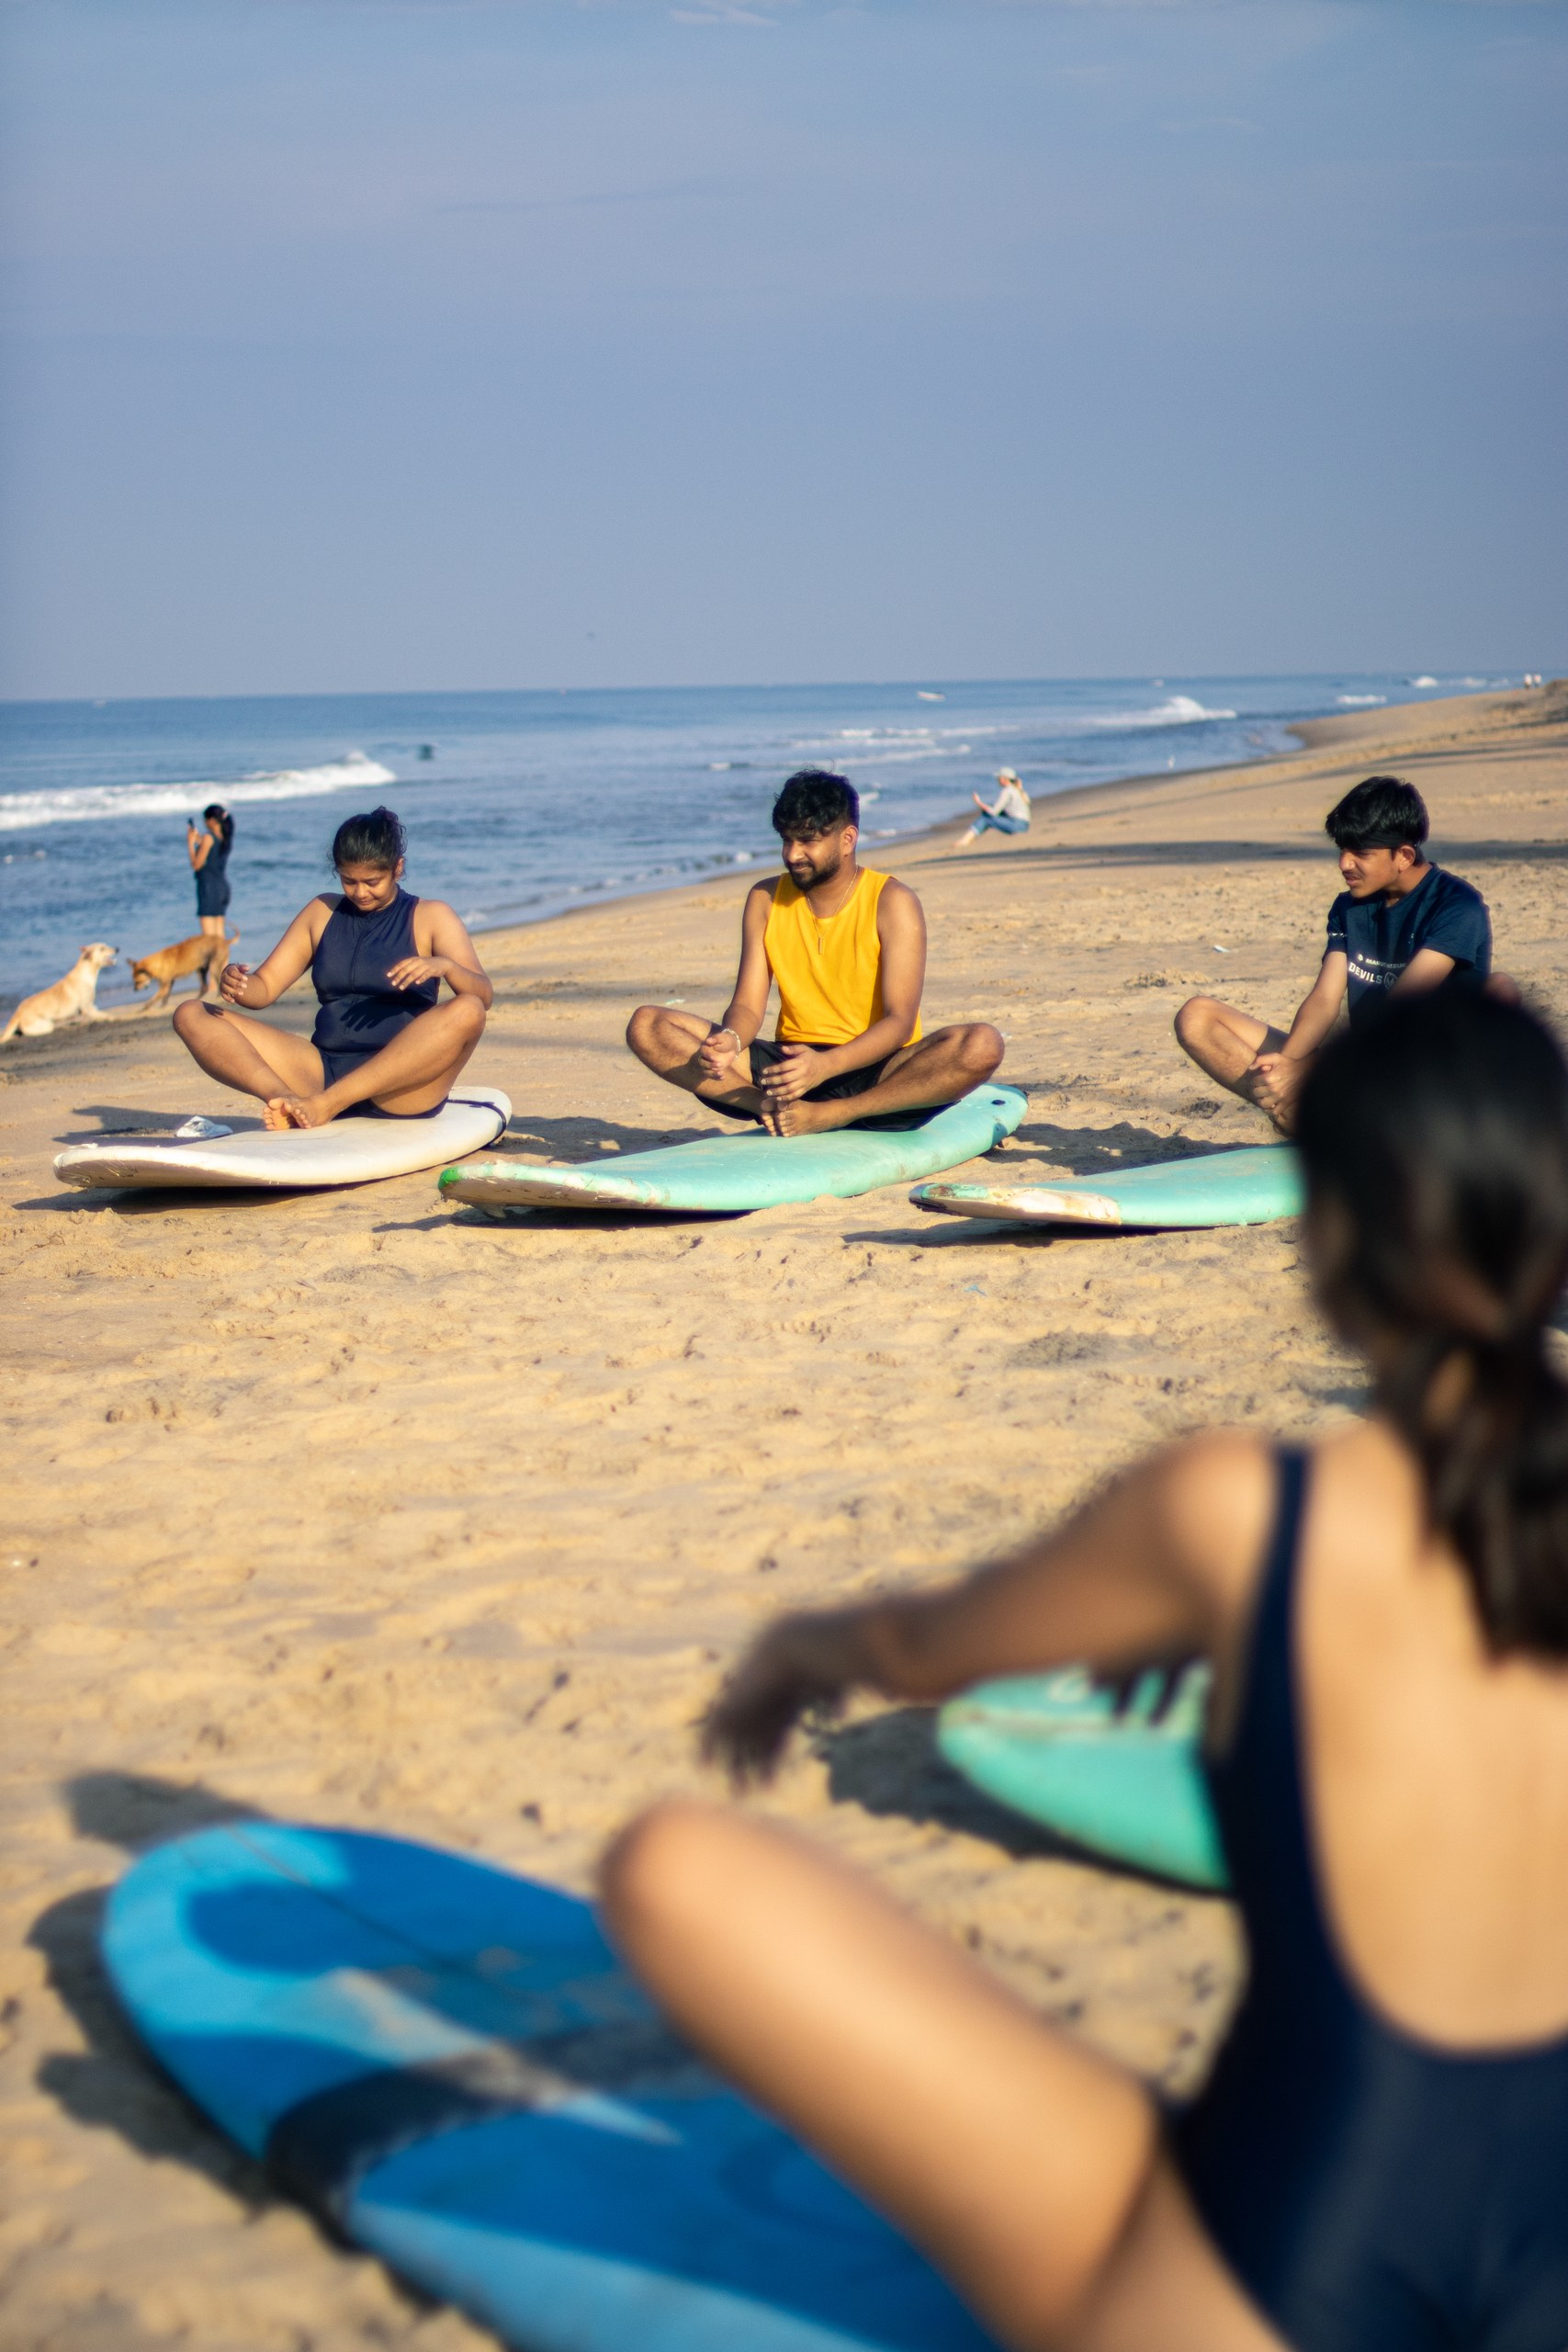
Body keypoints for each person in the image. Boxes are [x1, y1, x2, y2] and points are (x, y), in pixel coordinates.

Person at [604, 986, 1568, 2352]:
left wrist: (795, 1650)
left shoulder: (1243, 1515)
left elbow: (924, 1650)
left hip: (1278, 2270)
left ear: (1329, 1237)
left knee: (675, 1870)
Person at [626, 768, 1005, 1137]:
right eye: (786, 840)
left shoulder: (892, 901)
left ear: (847, 838)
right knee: (647, 1025)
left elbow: (900, 1021)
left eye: (807, 841)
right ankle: (769, 1109)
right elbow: (747, 1006)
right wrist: (732, 1039)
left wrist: (825, 1066)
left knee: (982, 1044)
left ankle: (834, 1115)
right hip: (786, 1074)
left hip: (877, 1074)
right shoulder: (764, 897)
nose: (792, 854)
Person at [1175, 775, 1495, 1134]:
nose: (1344, 863)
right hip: (1359, 1067)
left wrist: (1310, 1072)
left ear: (1403, 855)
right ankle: (1301, 1118)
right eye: (1342, 849)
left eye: (1361, 853)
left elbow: (1400, 1014)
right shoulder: (1349, 906)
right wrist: (1286, 1069)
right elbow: (1324, 1000)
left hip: (1424, 1080)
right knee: (1196, 1017)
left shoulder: (1456, 907)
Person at [171, 806, 491, 1128]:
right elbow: (264, 989)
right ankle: (286, 1102)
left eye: (372, 882)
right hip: (321, 1073)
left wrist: (447, 967)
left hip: (401, 1089)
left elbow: (483, 995)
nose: (360, 892)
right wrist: (237, 984)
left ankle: (328, 1105)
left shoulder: (432, 916)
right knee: (190, 1014)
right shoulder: (321, 912)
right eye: (349, 881)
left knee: (469, 1009)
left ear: (397, 868)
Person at [187, 803, 235, 982]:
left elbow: (196, 864)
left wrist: (191, 844)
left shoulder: (208, 838)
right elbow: (211, 850)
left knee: (210, 940)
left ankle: (214, 984)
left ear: (212, 821)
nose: (205, 823)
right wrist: (199, 841)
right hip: (222, 888)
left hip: (208, 889)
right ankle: (225, 976)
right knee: (220, 939)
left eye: (206, 820)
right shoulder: (223, 836)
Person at [956, 767, 1032, 847]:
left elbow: (993, 812)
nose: (998, 780)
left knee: (986, 817)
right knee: (989, 810)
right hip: (1024, 825)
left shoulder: (1007, 791)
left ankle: (966, 839)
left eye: (999, 778)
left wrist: (978, 802)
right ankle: (971, 837)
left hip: (1016, 825)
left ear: (1004, 779)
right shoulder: (1017, 790)